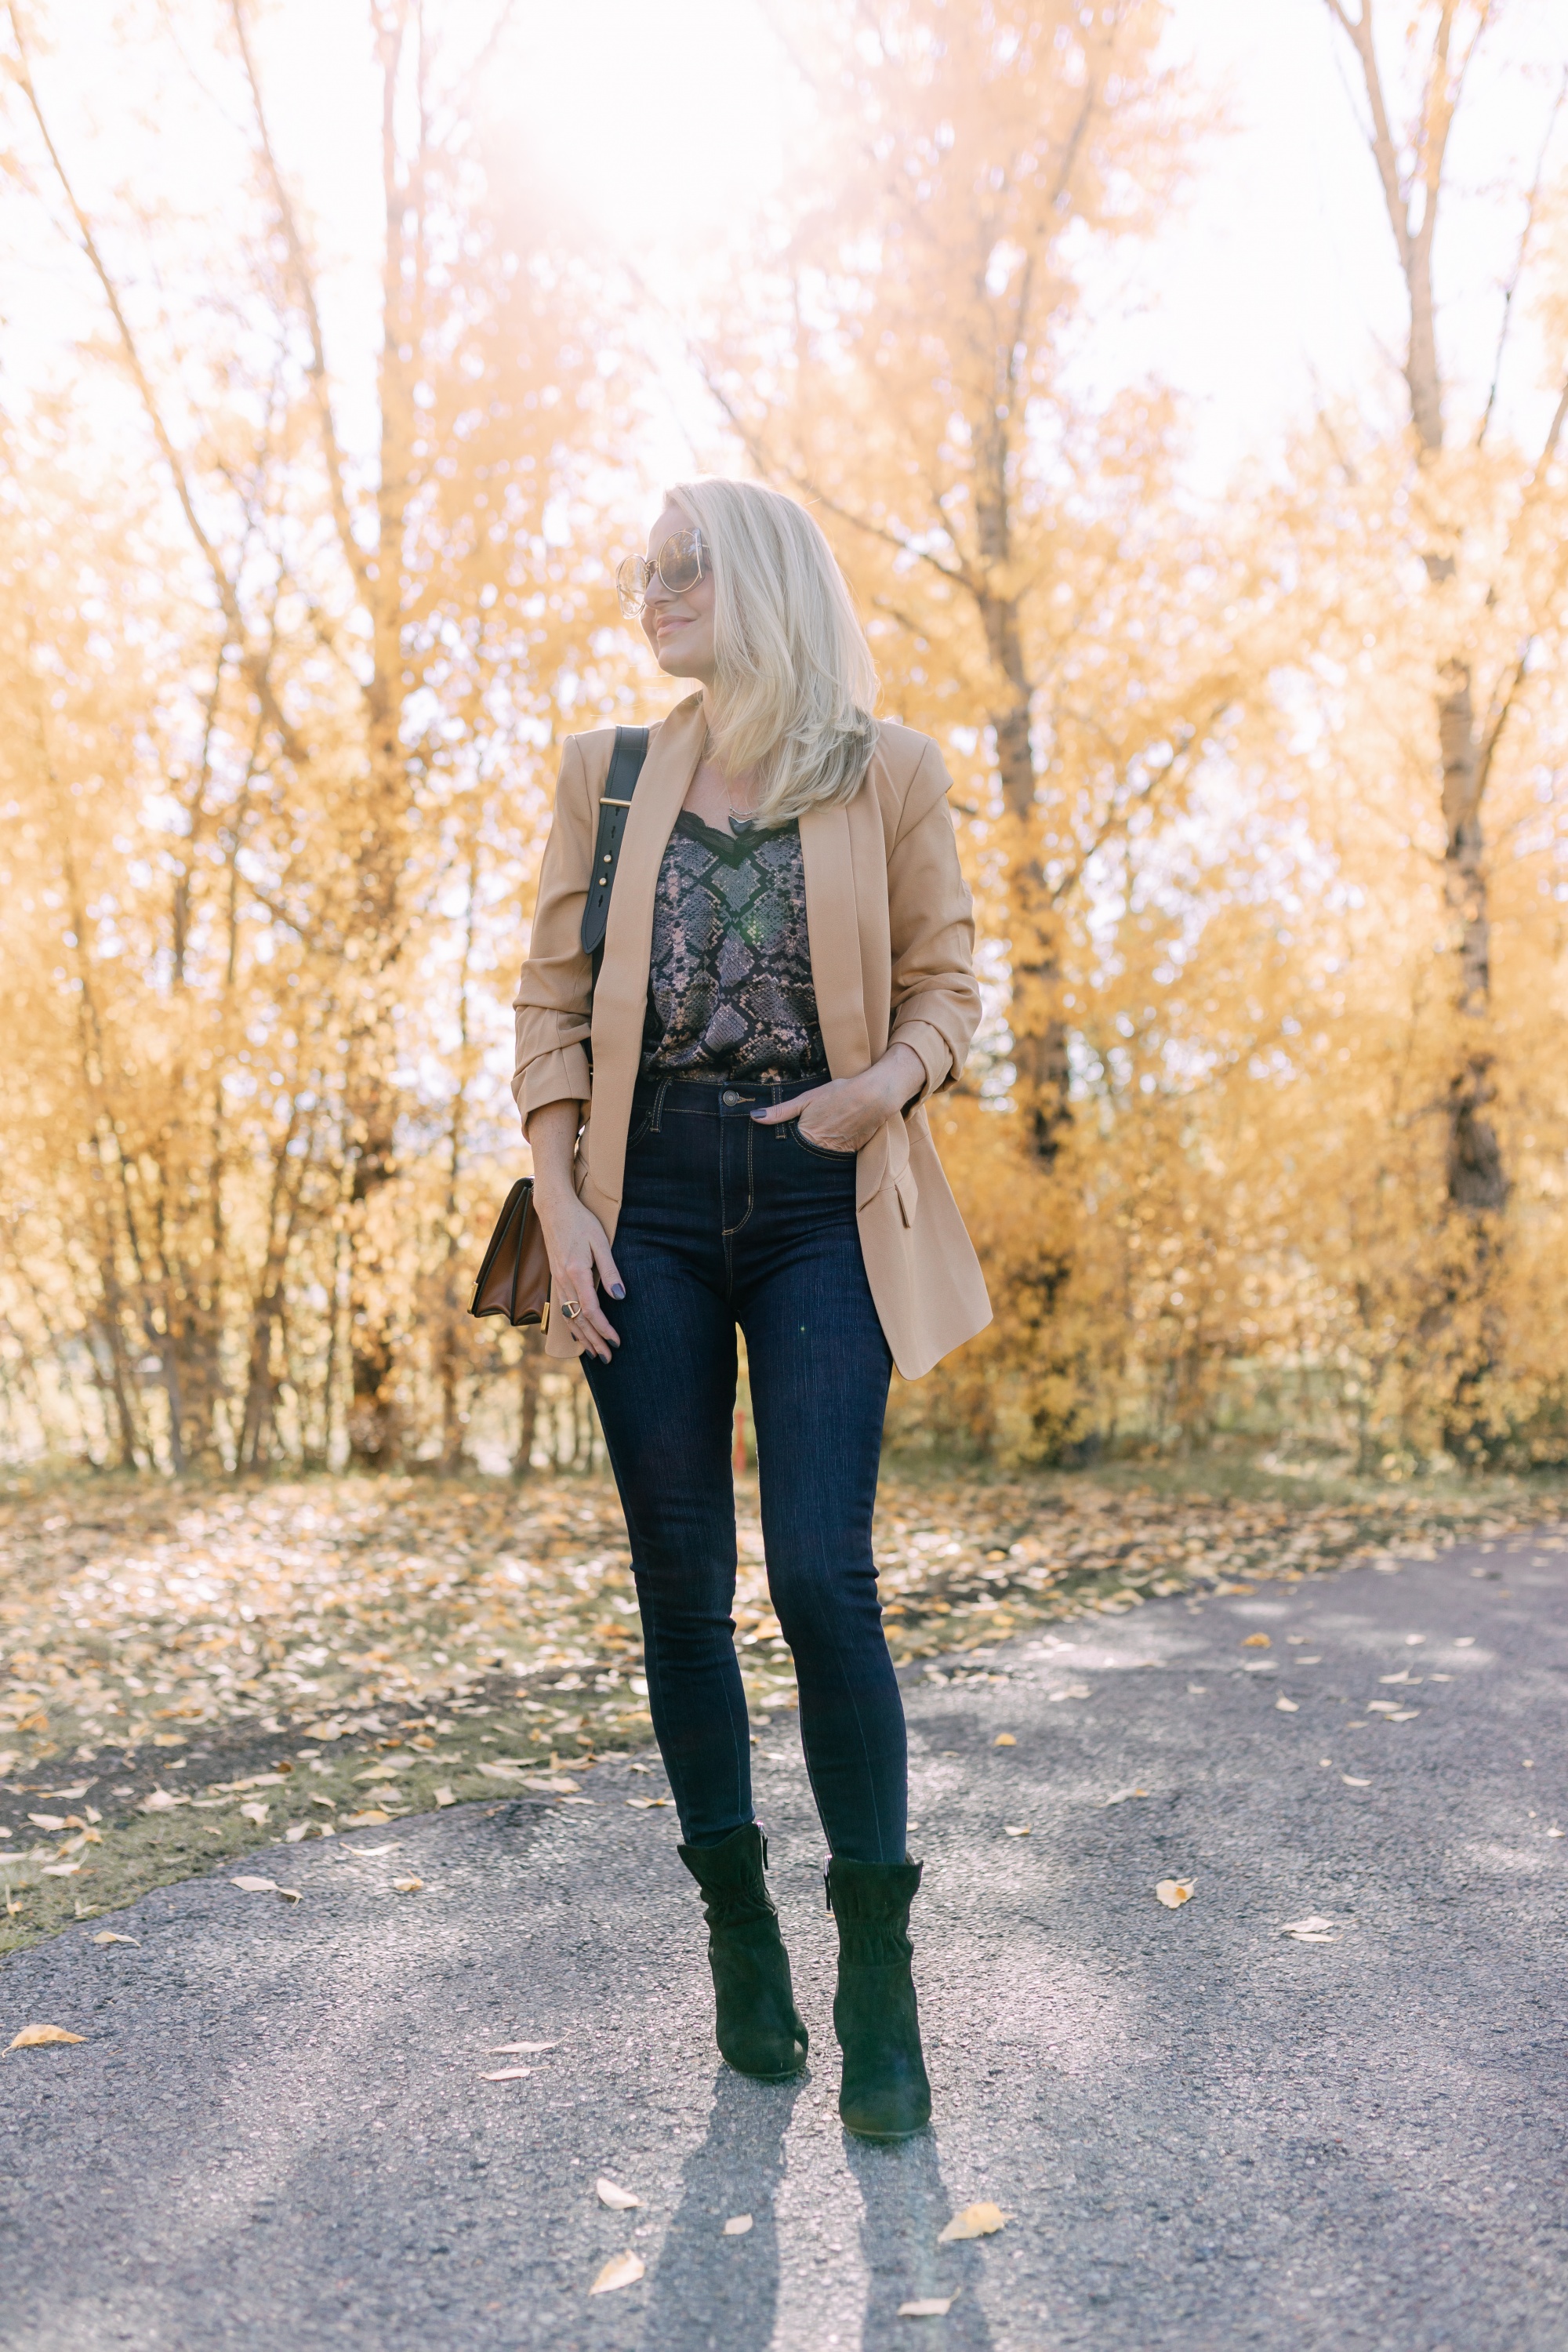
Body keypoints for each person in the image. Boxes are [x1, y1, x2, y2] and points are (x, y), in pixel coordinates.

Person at [511, 478, 990, 2141]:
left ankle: (877, 1974)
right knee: (681, 1586)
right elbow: (551, 997)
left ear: (765, 579)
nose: (653, 591)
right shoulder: (609, 772)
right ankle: (738, 1932)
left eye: (685, 568)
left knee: (819, 1573)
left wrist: (883, 1089)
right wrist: (560, 1199)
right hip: (641, 1202)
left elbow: (950, 984)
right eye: (642, 569)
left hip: (819, 1196)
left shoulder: (889, 769)